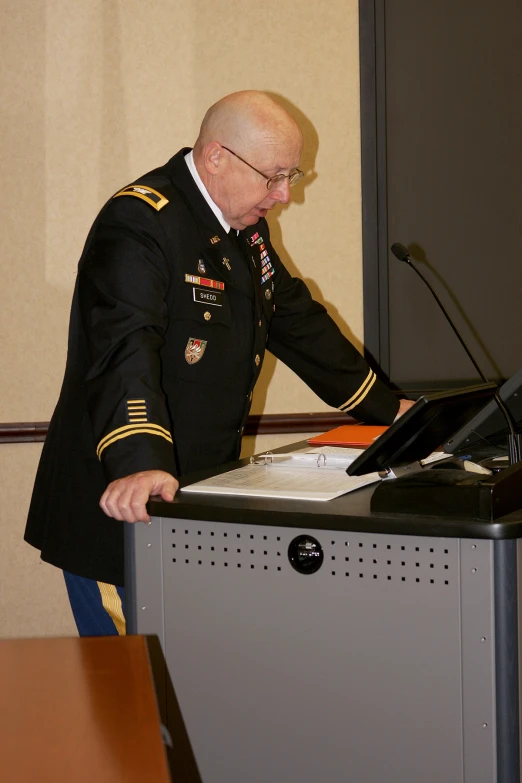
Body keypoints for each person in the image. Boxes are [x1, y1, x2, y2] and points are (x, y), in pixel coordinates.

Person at [25, 91, 412, 636]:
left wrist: (392, 410)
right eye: (273, 176)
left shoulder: (241, 229)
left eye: (290, 176)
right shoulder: (139, 221)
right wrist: (138, 458)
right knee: (134, 699)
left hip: (191, 501)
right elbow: (122, 349)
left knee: (189, 691)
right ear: (217, 157)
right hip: (122, 503)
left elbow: (295, 319)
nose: (283, 196)